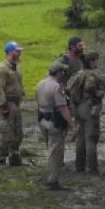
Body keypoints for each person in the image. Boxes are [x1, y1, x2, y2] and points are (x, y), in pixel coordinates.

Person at [35, 60, 76, 190]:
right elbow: (62, 107)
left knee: (50, 148)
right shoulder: (57, 87)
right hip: (55, 122)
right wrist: (72, 124)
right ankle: (52, 180)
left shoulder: (40, 84)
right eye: (62, 71)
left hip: (42, 119)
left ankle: (49, 177)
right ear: (58, 72)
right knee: (56, 152)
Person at [65, 50, 105, 174]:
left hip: (78, 108)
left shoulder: (77, 74)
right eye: (95, 60)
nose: (97, 62)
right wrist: (97, 93)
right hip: (90, 108)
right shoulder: (93, 76)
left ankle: (80, 167)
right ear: (91, 61)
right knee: (91, 138)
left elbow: (68, 89)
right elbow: (92, 88)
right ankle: (93, 168)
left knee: (80, 139)